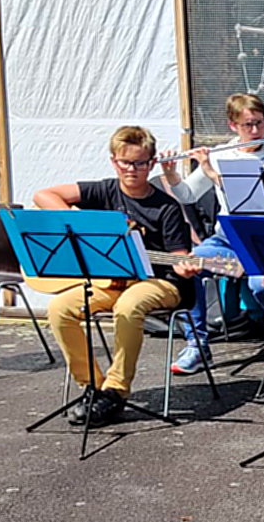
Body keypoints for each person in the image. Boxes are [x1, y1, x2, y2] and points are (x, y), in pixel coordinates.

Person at [34, 126, 200, 426]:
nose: (132, 169)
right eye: (126, 162)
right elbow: (43, 195)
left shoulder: (166, 207)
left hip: (162, 282)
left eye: (140, 163)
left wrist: (185, 265)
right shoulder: (104, 190)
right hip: (113, 281)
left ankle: (117, 390)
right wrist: (83, 222)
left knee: (129, 306)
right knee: (60, 309)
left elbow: (178, 257)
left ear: (151, 164)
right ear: (114, 161)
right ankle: (94, 387)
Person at [160, 93, 264, 371]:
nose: (255, 131)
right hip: (226, 238)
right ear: (233, 125)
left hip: (262, 238)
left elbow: (256, 199)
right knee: (189, 265)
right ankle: (197, 345)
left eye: (259, 123)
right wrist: (171, 174)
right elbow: (187, 195)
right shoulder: (222, 153)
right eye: (248, 125)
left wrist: (211, 172)